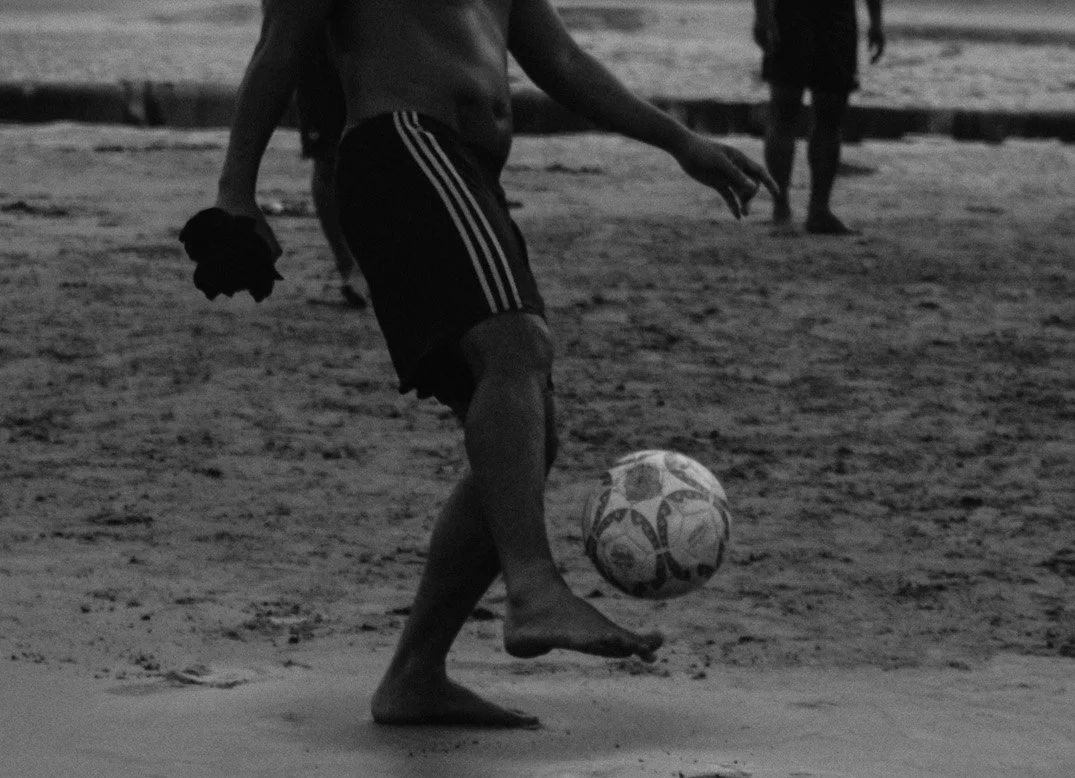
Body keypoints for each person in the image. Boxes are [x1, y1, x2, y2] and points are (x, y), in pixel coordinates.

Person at [187, 0, 774, 727]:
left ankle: (414, 676)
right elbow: (279, 44)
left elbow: (558, 60)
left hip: (464, 175)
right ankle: (533, 589)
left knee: (529, 438)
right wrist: (235, 193)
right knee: (514, 344)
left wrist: (677, 140)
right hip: (404, 147)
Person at [754, 0, 884, 235]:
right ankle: (783, 206)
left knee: (827, 114)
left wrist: (876, 21)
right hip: (794, 12)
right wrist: (762, 15)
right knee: (786, 110)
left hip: (831, 15)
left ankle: (816, 210)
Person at [293, 30, 367, 307]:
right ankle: (349, 267)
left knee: (379, 155)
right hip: (319, 47)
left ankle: (364, 267)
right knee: (327, 160)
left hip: (375, 46)